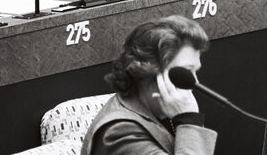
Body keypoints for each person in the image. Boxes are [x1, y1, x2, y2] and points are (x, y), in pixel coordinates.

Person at [81, 15, 216, 154]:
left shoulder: (161, 112)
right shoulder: (120, 133)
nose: (195, 82)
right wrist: (189, 120)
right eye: (185, 73)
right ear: (151, 71)